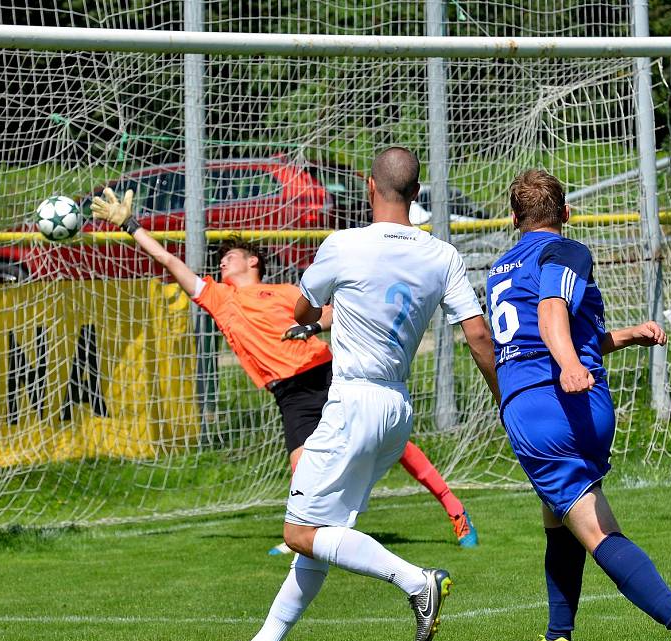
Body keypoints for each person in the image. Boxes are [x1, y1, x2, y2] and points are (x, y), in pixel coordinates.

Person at [189, 146, 499, 641]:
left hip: (351, 400)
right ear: (417, 195)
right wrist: (503, 397)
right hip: (397, 409)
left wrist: (313, 317)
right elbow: (476, 334)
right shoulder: (441, 255)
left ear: (370, 190)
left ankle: (416, 581)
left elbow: (302, 308)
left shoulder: (344, 244)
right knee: (322, 533)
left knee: (297, 532)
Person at [89, 188, 479, 555]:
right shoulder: (219, 299)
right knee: (302, 464)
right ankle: (308, 534)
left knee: (393, 446)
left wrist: (311, 326)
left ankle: (455, 510)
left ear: (252, 260)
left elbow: (330, 311)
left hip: (324, 373)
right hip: (288, 392)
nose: (222, 260)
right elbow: (169, 261)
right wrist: (130, 225)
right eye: (220, 257)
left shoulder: (283, 292)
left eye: (231, 254)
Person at [487, 169, 671, 641]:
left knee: (595, 529)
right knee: (559, 516)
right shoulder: (565, 251)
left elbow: (547, 319)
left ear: (514, 220)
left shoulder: (502, 267)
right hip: (568, 398)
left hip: (545, 406)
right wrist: (610, 345)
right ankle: (556, 638)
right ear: (566, 214)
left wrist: (576, 362)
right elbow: (557, 325)